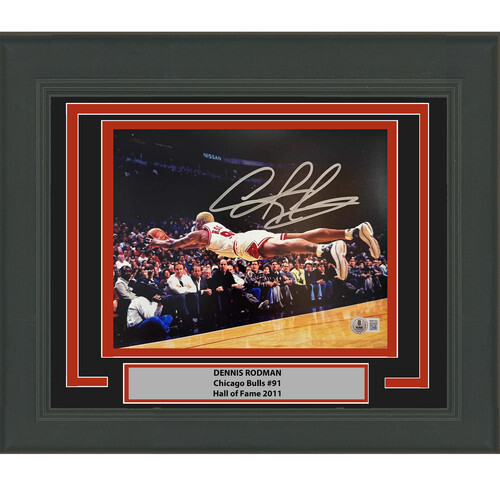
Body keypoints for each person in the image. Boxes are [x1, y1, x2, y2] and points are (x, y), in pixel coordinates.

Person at [146, 212, 381, 281]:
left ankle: (325, 250)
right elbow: (185, 246)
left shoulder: (199, 231)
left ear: (199, 223)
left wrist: (159, 242)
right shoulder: (210, 232)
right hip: (249, 237)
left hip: (242, 244)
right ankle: (353, 232)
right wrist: (168, 244)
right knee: (302, 235)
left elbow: (177, 243)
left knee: (282, 249)